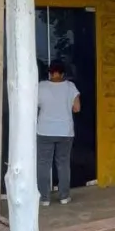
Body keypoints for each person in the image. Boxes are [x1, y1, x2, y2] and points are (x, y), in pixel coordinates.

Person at [36, 60, 80, 206]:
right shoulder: (70, 86)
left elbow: (33, 105)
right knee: (63, 164)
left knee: (43, 164)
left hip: (44, 131)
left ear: (50, 72)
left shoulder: (41, 86)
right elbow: (77, 108)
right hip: (65, 132)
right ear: (63, 73)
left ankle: (44, 198)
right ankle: (64, 197)